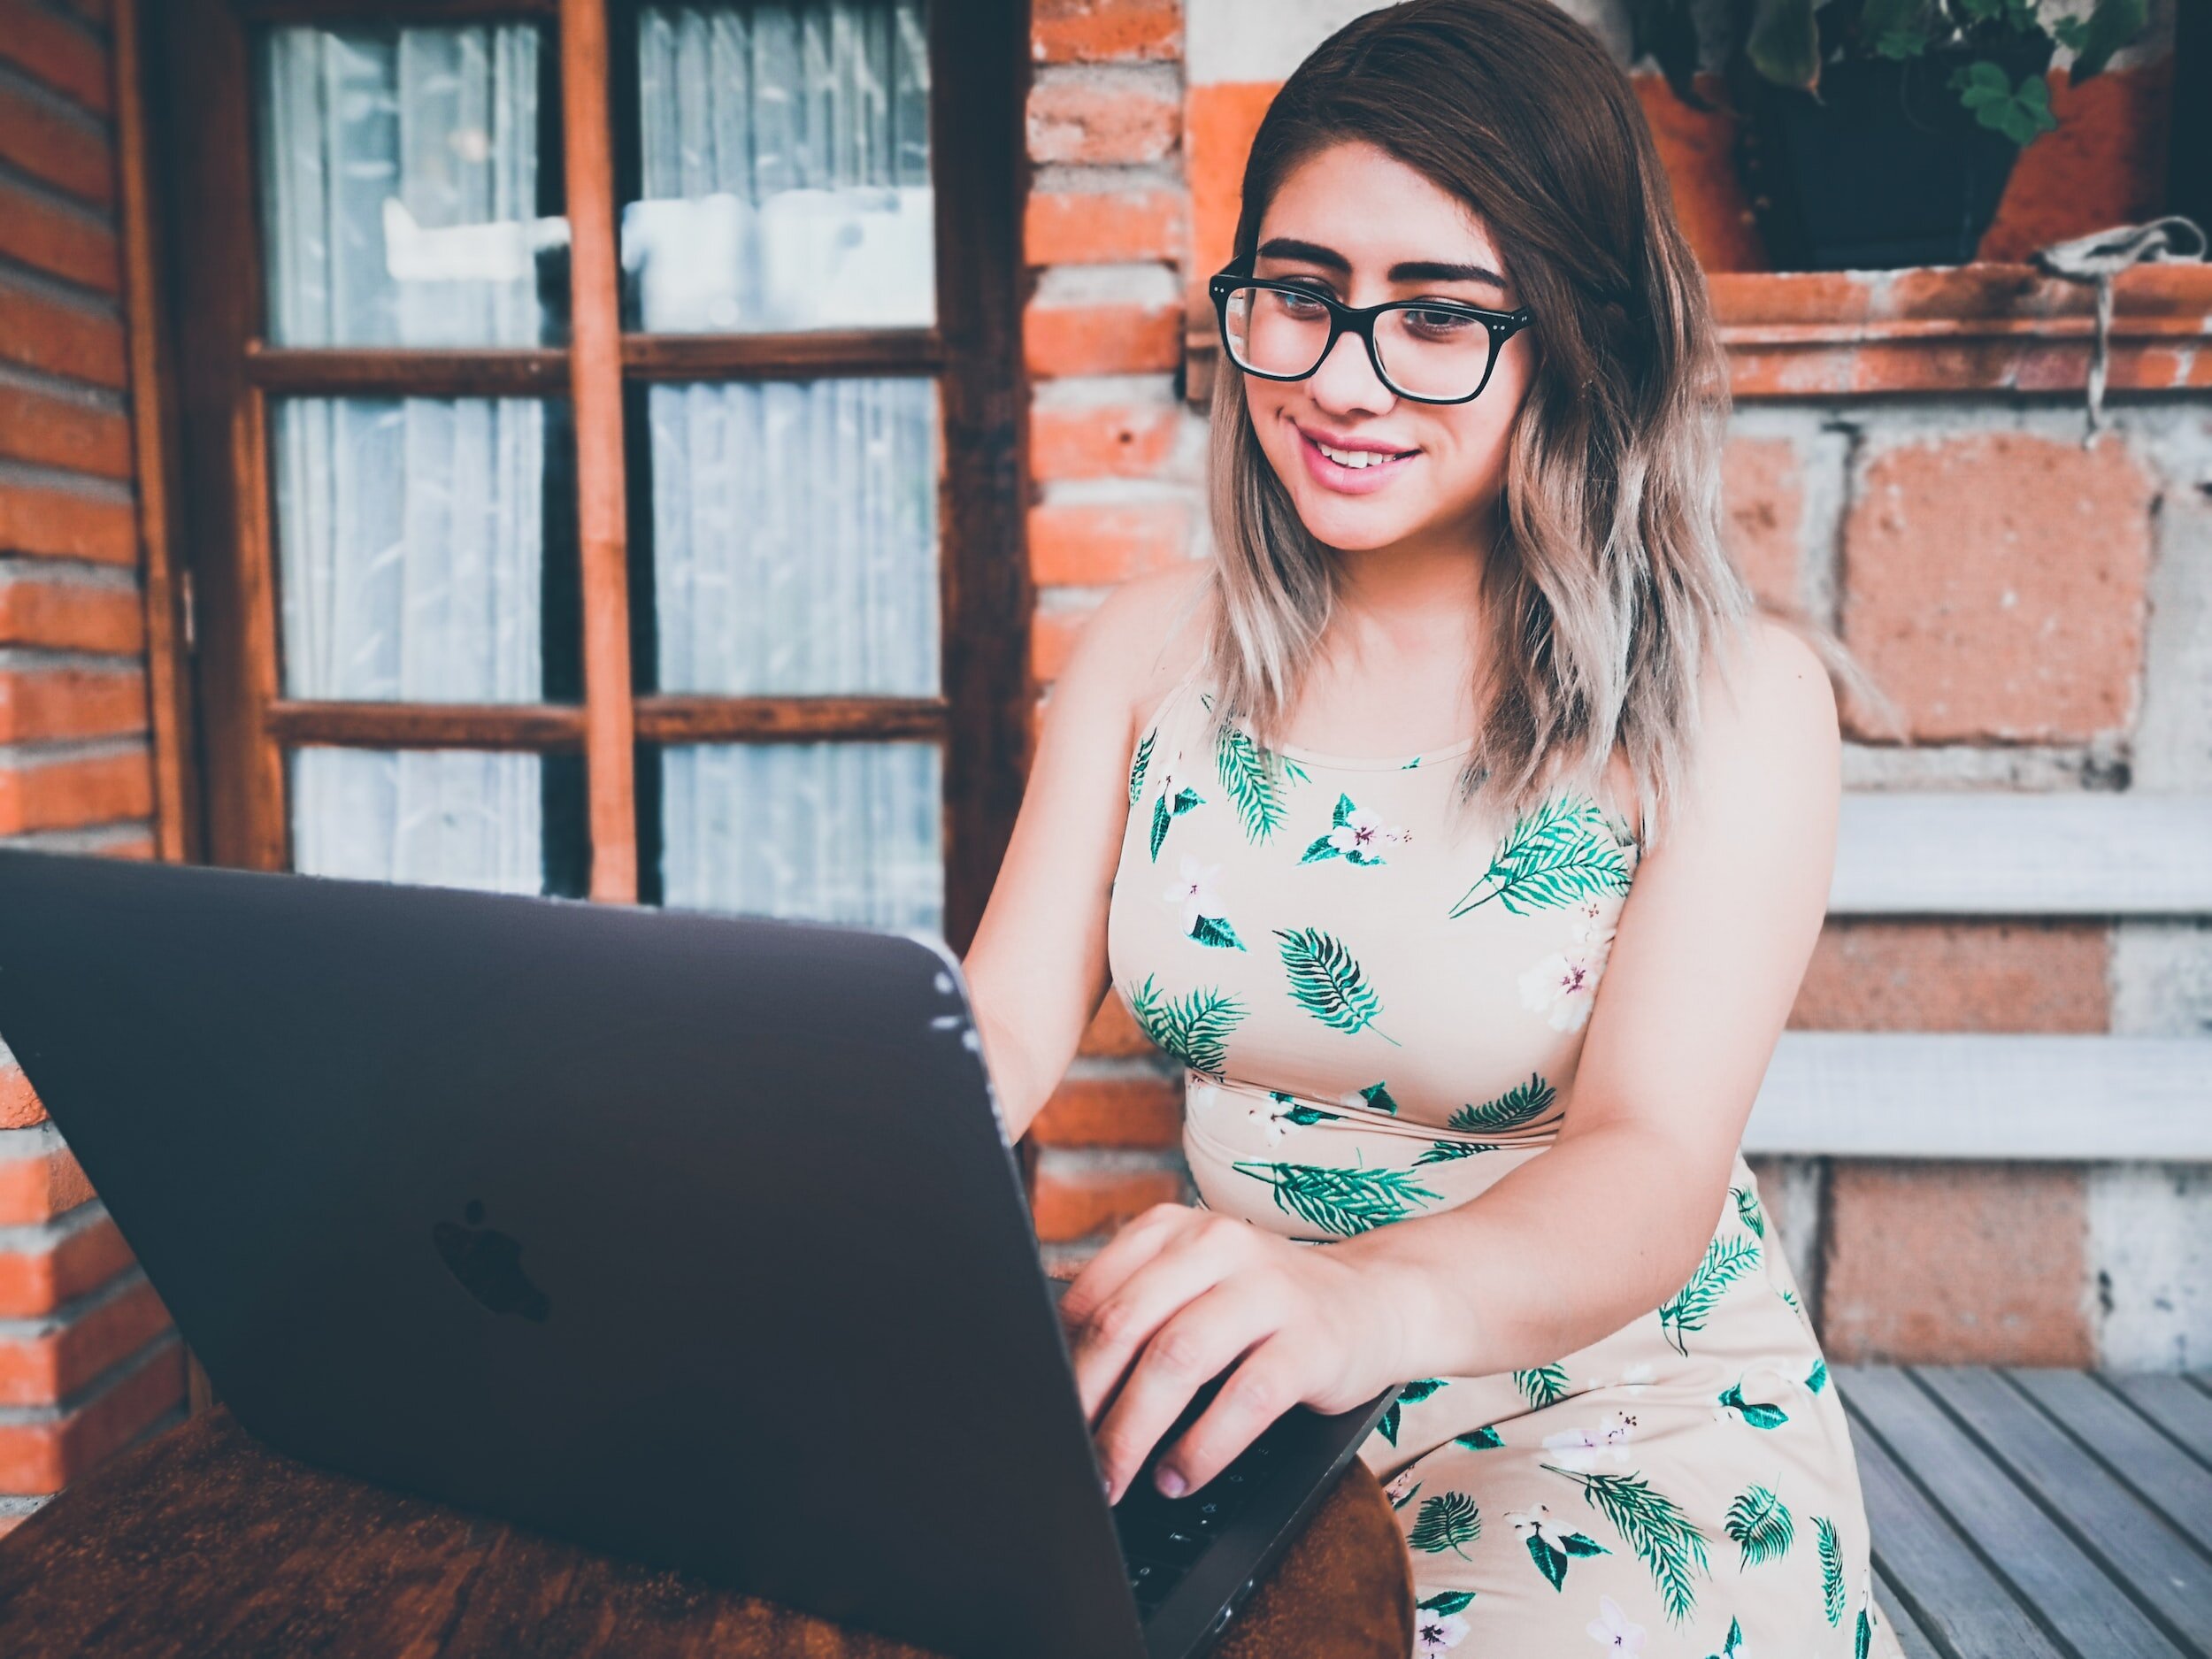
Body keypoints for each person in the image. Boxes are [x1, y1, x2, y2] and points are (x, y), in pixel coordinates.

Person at [962, 2, 1902, 1653]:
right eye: (1305, 297)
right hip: (1244, 1411)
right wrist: (781, 1165)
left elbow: (1652, 1166)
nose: (1345, 378)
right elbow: (998, 1030)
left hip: (1605, 1429)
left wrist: (1364, 1302)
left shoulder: (1736, 700)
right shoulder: (1146, 652)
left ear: (1581, 332)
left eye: (1440, 320)